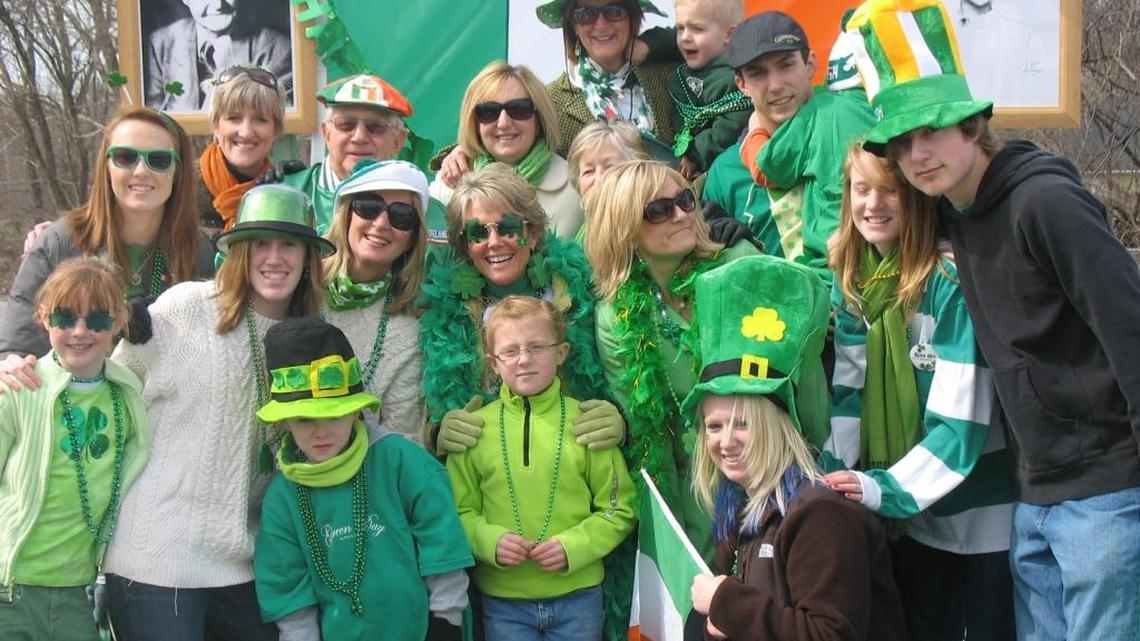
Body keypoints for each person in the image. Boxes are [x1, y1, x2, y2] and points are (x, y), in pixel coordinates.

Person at [847, 1, 1140, 638]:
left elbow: (1129, 327)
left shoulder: (1045, 203)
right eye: (903, 141)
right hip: (1032, 492)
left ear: (975, 124)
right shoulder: (955, 217)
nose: (918, 152)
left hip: (1106, 488)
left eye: (932, 129)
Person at [98, 185, 331, 640]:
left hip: (246, 562)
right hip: (155, 558)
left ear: (308, 258)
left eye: (289, 244)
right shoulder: (187, 307)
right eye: (260, 243)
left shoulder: (312, 340)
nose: (274, 257)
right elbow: (103, 388)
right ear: (239, 252)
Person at [823, 145, 1013, 640]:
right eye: (861, 189)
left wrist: (880, 489)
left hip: (981, 517)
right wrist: (831, 478)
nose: (873, 204)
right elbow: (848, 397)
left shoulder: (947, 280)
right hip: (910, 520)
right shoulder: (857, 287)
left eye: (890, 190)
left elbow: (961, 423)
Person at [683, 254, 905, 641]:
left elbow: (830, 634)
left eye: (744, 424)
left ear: (777, 427)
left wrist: (726, 604)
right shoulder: (738, 504)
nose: (724, 441)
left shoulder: (821, 514)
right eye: (713, 426)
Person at [253, 316, 473, 640]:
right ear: (284, 422)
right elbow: (285, 580)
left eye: (334, 414)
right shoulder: (284, 497)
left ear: (356, 410)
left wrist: (446, 617)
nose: (321, 431)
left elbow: (441, 535)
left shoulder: (399, 460)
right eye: (304, 420)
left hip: (422, 629)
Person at [446, 296, 636, 641]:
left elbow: (619, 507)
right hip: (504, 602)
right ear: (492, 362)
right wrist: (488, 540)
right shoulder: (474, 430)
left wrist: (573, 547)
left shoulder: (587, 422)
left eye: (536, 347)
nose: (523, 360)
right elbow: (458, 510)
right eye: (510, 351)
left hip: (578, 600)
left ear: (561, 352)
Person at [422, 164, 624, 457]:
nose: (494, 243)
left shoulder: (579, 290)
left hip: (575, 463)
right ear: (465, 246)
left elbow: (621, 379)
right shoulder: (448, 311)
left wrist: (619, 417)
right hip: (489, 475)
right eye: (478, 233)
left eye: (508, 228)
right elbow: (436, 407)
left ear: (532, 233)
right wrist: (439, 432)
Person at [0, 106, 213, 381]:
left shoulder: (197, 250)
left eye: (159, 160)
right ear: (107, 167)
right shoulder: (60, 243)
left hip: (162, 411)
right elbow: (17, 348)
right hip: (72, 410)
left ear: (178, 171)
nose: (141, 171)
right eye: (125, 157)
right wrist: (11, 366)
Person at [0, 257, 151, 640]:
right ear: (44, 318)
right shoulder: (19, 388)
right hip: (11, 584)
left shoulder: (128, 395)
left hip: (77, 592)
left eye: (97, 320)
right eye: (65, 319)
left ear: (118, 322)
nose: (80, 332)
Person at [701, 10, 875, 284]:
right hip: (792, 318)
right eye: (757, 73)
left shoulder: (842, 115)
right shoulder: (724, 172)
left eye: (786, 65)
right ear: (741, 84)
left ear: (810, 64)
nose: (776, 85)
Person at [435, 0, 677, 188]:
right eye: (585, 14)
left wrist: (653, 44)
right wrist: (461, 152)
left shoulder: (670, 76)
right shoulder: (552, 100)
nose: (601, 24)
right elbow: (505, 129)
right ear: (571, 25)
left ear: (632, 18)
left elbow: (706, 33)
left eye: (614, 11)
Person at [323, 159, 429, 444]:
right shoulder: (299, 285)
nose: (381, 223)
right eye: (368, 207)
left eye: (402, 216)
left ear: (412, 237)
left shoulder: (408, 328)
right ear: (346, 214)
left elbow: (400, 441)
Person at [429, 61, 582, 241]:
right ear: (474, 122)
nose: (503, 123)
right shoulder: (446, 187)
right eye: (488, 111)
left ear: (539, 117)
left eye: (518, 109)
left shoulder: (577, 191)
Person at [281, 73, 427, 233]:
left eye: (375, 127)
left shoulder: (419, 205)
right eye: (346, 125)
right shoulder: (284, 194)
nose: (359, 137)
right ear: (326, 134)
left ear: (398, 141)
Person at [144, 0, 292, 111]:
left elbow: (278, 119)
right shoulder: (161, 42)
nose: (218, 4)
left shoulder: (276, 49)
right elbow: (153, 118)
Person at [198, 65, 287, 236]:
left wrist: (297, 184)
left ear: (276, 130)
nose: (246, 132)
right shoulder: (181, 185)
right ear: (216, 125)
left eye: (260, 120)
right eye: (233, 118)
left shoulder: (284, 193)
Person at [669, 0, 751, 180]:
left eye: (697, 29)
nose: (684, 37)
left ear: (730, 35)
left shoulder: (739, 79)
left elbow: (729, 129)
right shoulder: (680, 77)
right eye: (680, 28)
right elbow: (678, 117)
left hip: (731, 169)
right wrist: (684, 145)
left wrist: (694, 153)